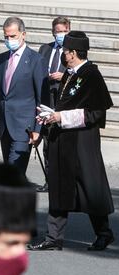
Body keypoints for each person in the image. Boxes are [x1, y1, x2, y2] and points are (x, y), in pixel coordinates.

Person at [28, 31, 115, 251]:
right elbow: (63, 105)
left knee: (90, 189)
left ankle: (104, 233)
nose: (63, 54)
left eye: (65, 51)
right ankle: (53, 237)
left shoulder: (91, 75)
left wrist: (61, 117)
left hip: (82, 144)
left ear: (74, 53)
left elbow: (96, 113)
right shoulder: (68, 73)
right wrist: (50, 116)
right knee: (59, 187)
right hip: (62, 141)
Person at [0, 17, 48, 174]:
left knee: (13, 173)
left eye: (13, 36)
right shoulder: (0, 60)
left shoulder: (36, 60)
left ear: (23, 34)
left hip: (24, 129)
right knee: (11, 175)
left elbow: (42, 98)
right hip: (5, 127)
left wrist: (38, 129)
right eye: (6, 36)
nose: (9, 40)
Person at [36, 17, 71, 192]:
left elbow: (80, 75)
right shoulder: (44, 49)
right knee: (48, 144)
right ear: (52, 32)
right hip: (47, 100)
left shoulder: (73, 51)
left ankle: (64, 181)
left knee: (63, 144)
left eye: (64, 31)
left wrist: (63, 77)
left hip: (65, 102)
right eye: (58, 31)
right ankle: (49, 181)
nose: (61, 35)